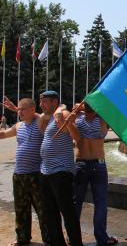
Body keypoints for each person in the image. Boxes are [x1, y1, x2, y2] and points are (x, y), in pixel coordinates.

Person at [0, 98, 49, 246]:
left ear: (33, 110)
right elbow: (3, 134)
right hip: (19, 175)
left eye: (23, 109)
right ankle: (22, 238)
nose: (19, 112)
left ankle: (49, 238)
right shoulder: (19, 125)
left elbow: (44, 116)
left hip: (36, 174)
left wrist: (15, 108)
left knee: (42, 209)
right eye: (19, 109)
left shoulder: (40, 122)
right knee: (21, 208)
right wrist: (19, 110)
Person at [38, 90, 83, 246]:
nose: (41, 104)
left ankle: (76, 243)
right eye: (40, 101)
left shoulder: (63, 114)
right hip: (45, 171)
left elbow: (77, 137)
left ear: (54, 102)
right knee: (50, 212)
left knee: (67, 211)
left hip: (60, 171)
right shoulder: (52, 117)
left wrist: (69, 122)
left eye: (44, 101)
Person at [73, 103, 118, 245]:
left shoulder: (78, 119)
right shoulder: (102, 120)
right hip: (98, 164)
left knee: (76, 202)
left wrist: (77, 109)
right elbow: (110, 110)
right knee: (100, 202)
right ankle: (101, 237)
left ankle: (72, 236)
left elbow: (65, 114)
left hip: (81, 162)